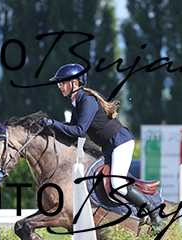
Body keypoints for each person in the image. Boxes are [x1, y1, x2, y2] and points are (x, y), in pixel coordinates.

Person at [43, 63, 165, 231]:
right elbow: (70, 131)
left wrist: (53, 123)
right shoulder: (77, 102)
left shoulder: (87, 100)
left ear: (75, 83)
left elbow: (79, 131)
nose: (59, 86)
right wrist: (49, 130)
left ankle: (154, 212)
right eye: (59, 83)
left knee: (117, 183)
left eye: (63, 82)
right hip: (109, 147)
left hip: (120, 142)